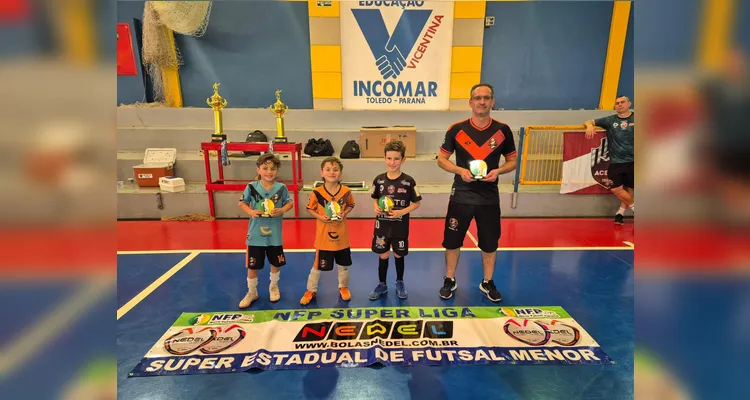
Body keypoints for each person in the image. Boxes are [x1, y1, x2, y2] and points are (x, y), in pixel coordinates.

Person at [436, 83, 517, 302]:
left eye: (486, 97)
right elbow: (442, 160)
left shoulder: (503, 131)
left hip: (489, 196)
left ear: (493, 102)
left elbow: (512, 161)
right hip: (461, 193)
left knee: (490, 242)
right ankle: (449, 279)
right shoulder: (457, 129)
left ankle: (487, 282)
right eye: (477, 98)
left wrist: (498, 171)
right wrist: (459, 170)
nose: (482, 101)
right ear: (470, 102)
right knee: (452, 241)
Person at [238, 153, 294, 308]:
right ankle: (252, 292)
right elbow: (242, 203)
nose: (269, 171)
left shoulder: (281, 188)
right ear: (258, 170)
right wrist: (251, 212)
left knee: (275, 262)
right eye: (265, 168)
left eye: (273, 168)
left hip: (274, 235)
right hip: (255, 235)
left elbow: (290, 203)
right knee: (252, 265)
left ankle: (274, 286)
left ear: (277, 170)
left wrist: (282, 209)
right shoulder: (251, 187)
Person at [368, 141, 422, 300]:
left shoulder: (409, 181)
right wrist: (376, 207)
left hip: (400, 227)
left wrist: (401, 212)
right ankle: (382, 284)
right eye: (389, 158)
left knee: (399, 255)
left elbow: (417, 203)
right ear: (384, 158)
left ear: (403, 159)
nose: (392, 162)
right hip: (382, 226)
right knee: (383, 255)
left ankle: (400, 282)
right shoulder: (378, 180)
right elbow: (374, 198)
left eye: (396, 159)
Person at [300, 157, 356, 305]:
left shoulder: (346, 191)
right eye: (328, 169)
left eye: (335, 170)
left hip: (342, 236)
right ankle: (311, 290)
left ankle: (343, 287)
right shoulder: (317, 192)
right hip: (324, 236)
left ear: (341, 173)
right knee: (317, 265)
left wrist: (344, 213)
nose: (332, 172)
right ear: (322, 172)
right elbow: (310, 208)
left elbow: (351, 205)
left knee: (343, 265)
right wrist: (320, 217)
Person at [584, 96, 635, 225]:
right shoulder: (610, 120)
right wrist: (589, 126)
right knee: (616, 189)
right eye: (617, 103)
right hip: (617, 161)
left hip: (635, 161)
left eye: (622, 102)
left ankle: (620, 214)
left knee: (630, 189)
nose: (619, 105)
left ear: (629, 104)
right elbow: (589, 121)